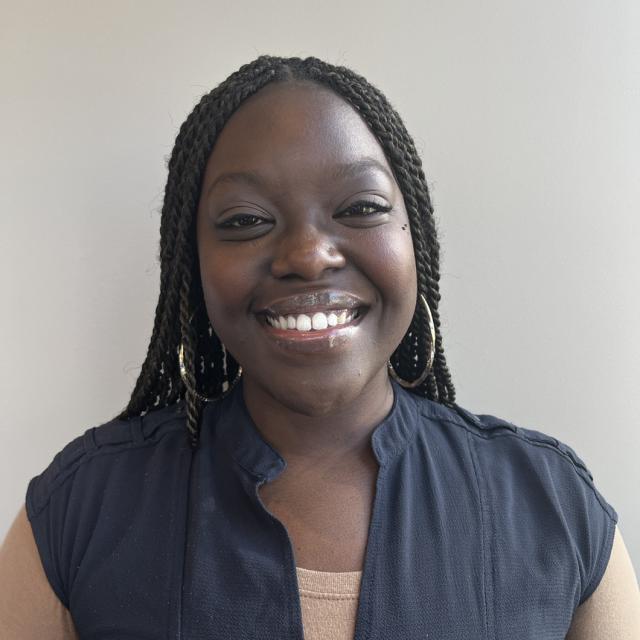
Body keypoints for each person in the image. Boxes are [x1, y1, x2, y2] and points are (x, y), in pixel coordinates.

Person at [0, 54, 638, 639]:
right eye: (246, 220)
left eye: (360, 207)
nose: (308, 256)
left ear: (416, 242)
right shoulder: (76, 513)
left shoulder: (555, 508)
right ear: (191, 267)